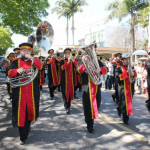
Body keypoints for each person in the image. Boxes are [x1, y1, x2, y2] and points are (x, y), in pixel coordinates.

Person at [7, 42, 43, 145]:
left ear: (30, 51)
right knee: (20, 116)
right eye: (24, 50)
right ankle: (23, 137)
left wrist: (32, 58)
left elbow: (41, 67)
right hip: (19, 94)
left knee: (30, 115)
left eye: (28, 50)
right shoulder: (15, 62)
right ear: (21, 51)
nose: (26, 52)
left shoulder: (34, 62)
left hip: (32, 94)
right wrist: (16, 71)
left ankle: (26, 129)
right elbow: (8, 72)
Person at [77, 52, 107, 133]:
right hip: (86, 86)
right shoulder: (82, 60)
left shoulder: (96, 61)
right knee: (87, 106)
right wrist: (85, 65)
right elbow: (78, 70)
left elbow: (106, 69)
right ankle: (89, 124)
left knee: (97, 104)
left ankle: (91, 120)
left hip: (96, 86)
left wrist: (100, 71)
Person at [117, 54, 136, 124]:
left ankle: (121, 111)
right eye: (125, 59)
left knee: (128, 103)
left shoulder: (131, 67)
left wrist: (133, 74)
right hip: (123, 89)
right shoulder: (119, 68)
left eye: (127, 59)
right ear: (122, 60)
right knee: (124, 104)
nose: (126, 61)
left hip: (130, 88)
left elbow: (134, 75)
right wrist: (126, 73)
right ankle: (126, 118)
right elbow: (118, 78)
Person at [60, 48, 77, 114]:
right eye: (66, 53)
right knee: (65, 94)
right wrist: (68, 62)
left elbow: (77, 65)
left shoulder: (73, 61)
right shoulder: (62, 61)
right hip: (64, 81)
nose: (68, 54)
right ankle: (66, 106)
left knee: (69, 94)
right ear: (64, 54)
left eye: (69, 53)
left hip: (71, 81)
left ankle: (68, 107)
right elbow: (62, 68)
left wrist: (72, 60)